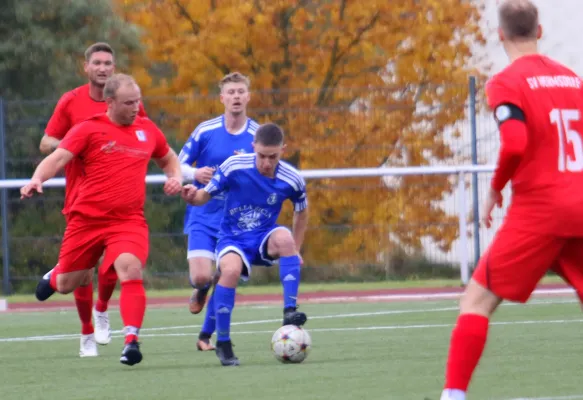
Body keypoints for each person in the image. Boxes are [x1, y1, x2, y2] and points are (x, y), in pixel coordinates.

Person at [440, 1, 583, 399]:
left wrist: (496, 188)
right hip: (581, 204)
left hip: (540, 209)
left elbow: (516, 143)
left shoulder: (506, 81)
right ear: (540, 32)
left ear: (500, 35)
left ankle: (453, 395)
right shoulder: (574, 80)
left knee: (476, 299)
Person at [22, 74, 182, 366]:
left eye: (138, 101)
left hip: (128, 221)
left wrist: (176, 177)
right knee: (70, 283)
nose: (136, 107)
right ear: (110, 102)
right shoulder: (89, 129)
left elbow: (169, 157)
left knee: (130, 269)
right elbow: (57, 158)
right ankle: (57, 275)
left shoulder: (147, 130)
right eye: (128, 103)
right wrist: (36, 179)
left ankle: (131, 341)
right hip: (87, 221)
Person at [40, 42, 147, 357]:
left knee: (118, 262)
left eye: (108, 63)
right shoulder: (71, 101)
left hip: (120, 201)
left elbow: (145, 133)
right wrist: (75, 143)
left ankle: (102, 309)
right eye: (97, 63)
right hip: (82, 197)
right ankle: (87, 331)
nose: (103, 68)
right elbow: (46, 141)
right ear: (86, 67)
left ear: (114, 68)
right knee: (84, 272)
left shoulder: (128, 101)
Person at [181, 123, 309, 366]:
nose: (267, 163)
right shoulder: (234, 166)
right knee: (228, 271)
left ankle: (290, 312)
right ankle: (224, 343)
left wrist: (297, 248)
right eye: (262, 156)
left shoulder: (292, 179)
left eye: (273, 156)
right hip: (232, 238)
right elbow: (203, 196)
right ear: (253, 148)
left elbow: (301, 212)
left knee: (284, 239)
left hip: (263, 236)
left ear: (283, 150)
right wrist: (191, 195)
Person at [179, 72, 258, 351]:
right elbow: (177, 165)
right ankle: (201, 289)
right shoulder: (206, 131)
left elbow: (264, 173)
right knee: (202, 277)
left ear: (248, 96)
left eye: (241, 92)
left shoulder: (256, 136)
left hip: (235, 220)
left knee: (228, 274)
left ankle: (205, 336)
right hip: (203, 212)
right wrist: (195, 172)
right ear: (222, 98)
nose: (236, 97)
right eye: (231, 92)